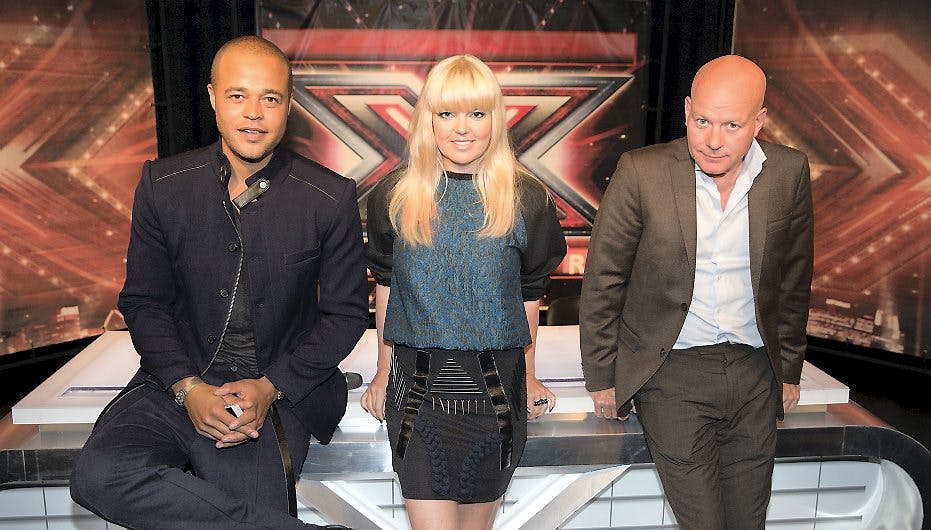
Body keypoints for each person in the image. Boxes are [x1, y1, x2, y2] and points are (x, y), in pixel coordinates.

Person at [69, 36, 368, 530]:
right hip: (174, 380)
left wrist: (270, 387)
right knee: (99, 476)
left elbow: (347, 315)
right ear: (212, 97)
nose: (254, 113)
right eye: (237, 96)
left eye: (269, 98)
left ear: (288, 106)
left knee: (253, 511)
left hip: (272, 391)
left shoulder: (328, 196)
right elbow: (144, 302)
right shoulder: (164, 185)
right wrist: (188, 388)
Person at [580, 55, 813, 529]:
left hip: (754, 372)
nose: (713, 140)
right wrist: (602, 375)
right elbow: (604, 277)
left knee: (748, 522)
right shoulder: (642, 171)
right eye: (702, 121)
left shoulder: (788, 172)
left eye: (732, 125)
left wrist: (789, 368)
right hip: (671, 372)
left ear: (759, 122)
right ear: (687, 110)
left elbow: (793, 278)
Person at [361, 54, 566, 530]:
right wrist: (381, 372)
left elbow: (528, 295)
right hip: (418, 392)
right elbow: (387, 287)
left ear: (496, 118)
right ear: (427, 119)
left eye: (477, 113)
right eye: (447, 113)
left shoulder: (526, 198)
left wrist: (531, 376)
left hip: (496, 393)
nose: (462, 128)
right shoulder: (394, 195)